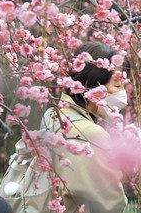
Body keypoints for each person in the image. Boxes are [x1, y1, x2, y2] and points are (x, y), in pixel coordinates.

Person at [41, 41, 128, 213]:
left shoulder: (54, 114)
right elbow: (111, 204)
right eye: (117, 85)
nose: (122, 92)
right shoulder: (90, 134)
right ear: (92, 85)